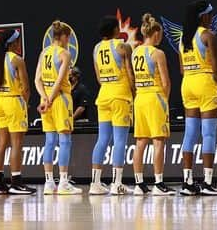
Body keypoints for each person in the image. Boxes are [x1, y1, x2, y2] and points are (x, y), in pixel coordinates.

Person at [178, 0, 217, 196]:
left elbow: (181, 69)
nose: (212, 17)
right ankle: (207, 182)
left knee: (190, 133)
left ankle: (187, 182)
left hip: (188, 83)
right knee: (208, 134)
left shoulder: (183, 38)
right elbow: (216, 68)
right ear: (203, 16)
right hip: (205, 83)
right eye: (210, 14)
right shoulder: (207, 36)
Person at [90, 16, 135, 195]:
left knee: (102, 139)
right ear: (116, 30)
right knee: (120, 141)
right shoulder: (123, 47)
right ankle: (117, 183)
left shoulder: (96, 49)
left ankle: (95, 183)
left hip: (104, 95)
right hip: (120, 95)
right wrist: (134, 92)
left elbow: (99, 78)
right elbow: (130, 74)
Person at [35, 20, 80, 195]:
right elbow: (60, 80)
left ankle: (48, 183)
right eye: (68, 38)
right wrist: (51, 99)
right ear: (63, 37)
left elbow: (37, 80)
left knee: (49, 141)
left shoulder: (44, 52)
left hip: (45, 98)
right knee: (65, 141)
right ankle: (63, 182)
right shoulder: (64, 54)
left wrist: (45, 98)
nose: (68, 41)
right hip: (60, 99)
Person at [131, 14, 173, 196]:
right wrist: (165, 101)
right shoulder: (158, 53)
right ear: (155, 33)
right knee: (158, 142)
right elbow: (166, 82)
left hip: (140, 97)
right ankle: (158, 183)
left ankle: (139, 183)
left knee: (140, 142)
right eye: (161, 33)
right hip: (155, 97)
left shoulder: (135, 52)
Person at [0, 28, 33, 195]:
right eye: (17, 41)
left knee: (1, 143)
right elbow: (26, 88)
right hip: (13, 100)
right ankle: (16, 182)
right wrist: (25, 104)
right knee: (17, 144)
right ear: (12, 43)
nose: (18, 44)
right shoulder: (17, 60)